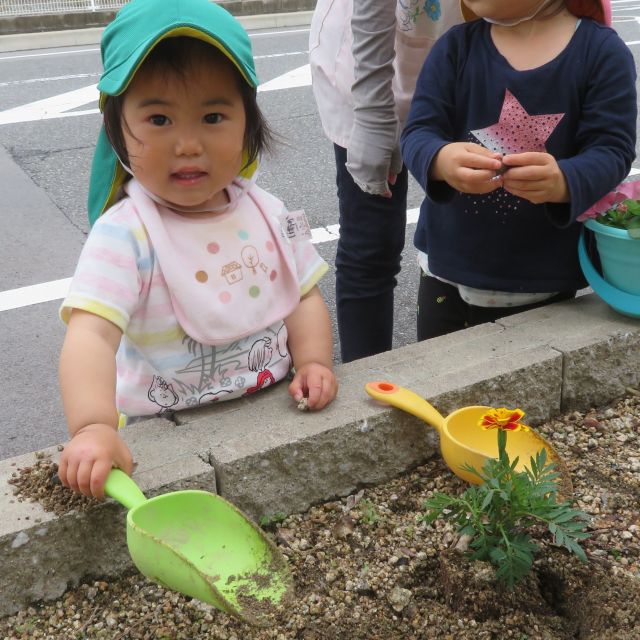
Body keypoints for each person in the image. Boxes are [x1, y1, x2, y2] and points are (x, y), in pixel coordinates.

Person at [58, 0, 338, 498]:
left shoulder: (269, 214)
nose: (188, 144)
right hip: (165, 429)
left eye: (213, 115)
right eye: (159, 119)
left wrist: (314, 362)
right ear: (117, 131)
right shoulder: (126, 234)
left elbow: (304, 296)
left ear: (248, 125)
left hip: (275, 406)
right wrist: (95, 426)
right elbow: (91, 337)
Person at [401, 0, 636, 340]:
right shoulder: (455, 46)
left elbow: (612, 149)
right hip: (448, 265)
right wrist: (441, 159)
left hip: (543, 274)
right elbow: (418, 131)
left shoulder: (601, 51)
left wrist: (564, 180)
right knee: (440, 383)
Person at [309, 0, 465, 362]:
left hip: (473, 46)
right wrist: (375, 114)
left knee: (465, 228)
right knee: (371, 242)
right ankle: (369, 385)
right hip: (368, 56)